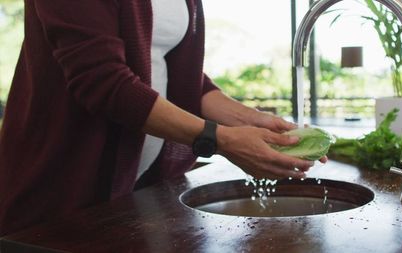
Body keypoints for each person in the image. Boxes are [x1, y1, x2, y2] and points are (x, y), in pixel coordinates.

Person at [0, 0, 326, 236]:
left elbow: (185, 80)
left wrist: (252, 120)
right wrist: (219, 139)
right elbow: (103, 82)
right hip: (60, 192)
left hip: (134, 193)